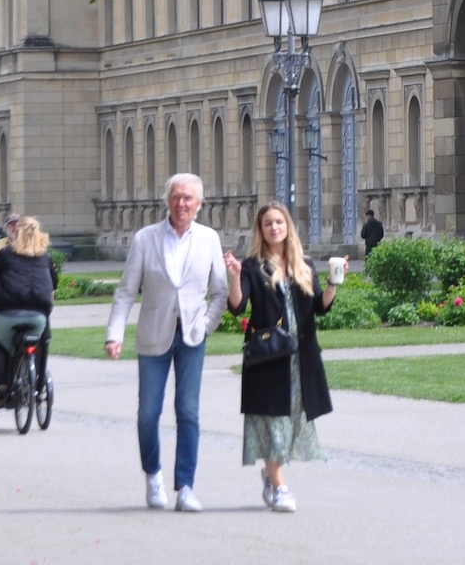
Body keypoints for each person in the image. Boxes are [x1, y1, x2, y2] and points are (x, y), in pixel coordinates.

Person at [104, 173, 228, 513]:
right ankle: (153, 474)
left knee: (188, 412)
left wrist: (205, 325)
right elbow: (126, 291)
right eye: (176, 196)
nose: (181, 203)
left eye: (188, 198)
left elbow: (219, 291)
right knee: (148, 414)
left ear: (199, 204)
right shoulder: (146, 239)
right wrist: (115, 334)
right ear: (167, 200)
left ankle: (186, 486)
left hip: (190, 336)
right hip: (153, 335)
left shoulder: (208, 239)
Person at [225, 202, 336, 513]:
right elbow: (237, 307)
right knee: (274, 421)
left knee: (290, 421)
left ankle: (271, 477)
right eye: (267, 224)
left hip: (301, 359)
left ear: (288, 226)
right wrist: (234, 277)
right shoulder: (252, 266)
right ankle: (281, 486)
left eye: (279, 222)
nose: (274, 227)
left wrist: (333, 282)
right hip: (269, 357)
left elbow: (320, 308)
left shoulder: (305, 265)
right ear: (260, 231)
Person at [0, 215, 59, 374]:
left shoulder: (5, 254)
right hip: (38, 316)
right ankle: (34, 380)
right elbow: (55, 283)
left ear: (17, 233)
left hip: (8, 313)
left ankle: (2, 385)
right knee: (35, 343)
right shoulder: (45, 257)